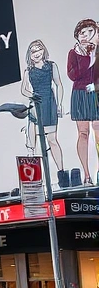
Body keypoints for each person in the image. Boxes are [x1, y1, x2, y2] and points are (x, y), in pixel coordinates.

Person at [22, 40, 68, 186]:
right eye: (33, 51)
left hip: (49, 103)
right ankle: (35, 179)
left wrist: (60, 104)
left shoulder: (51, 66)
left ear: (43, 51)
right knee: (32, 143)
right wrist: (32, 96)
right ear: (30, 54)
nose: (36, 54)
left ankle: (62, 174)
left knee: (52, 139)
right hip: (36, 106)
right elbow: (23, 89)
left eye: (38, 50)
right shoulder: (28, 71)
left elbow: (58, 84)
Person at [66, 18, 99, 186]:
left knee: (97, 129)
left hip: (95, 93)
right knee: (83, 133)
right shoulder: (73, 53)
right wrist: (85, 56)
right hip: (79, 94)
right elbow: (73, 75)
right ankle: (87, 175)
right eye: (82, 33)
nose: (85, 36)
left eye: (89, 32)